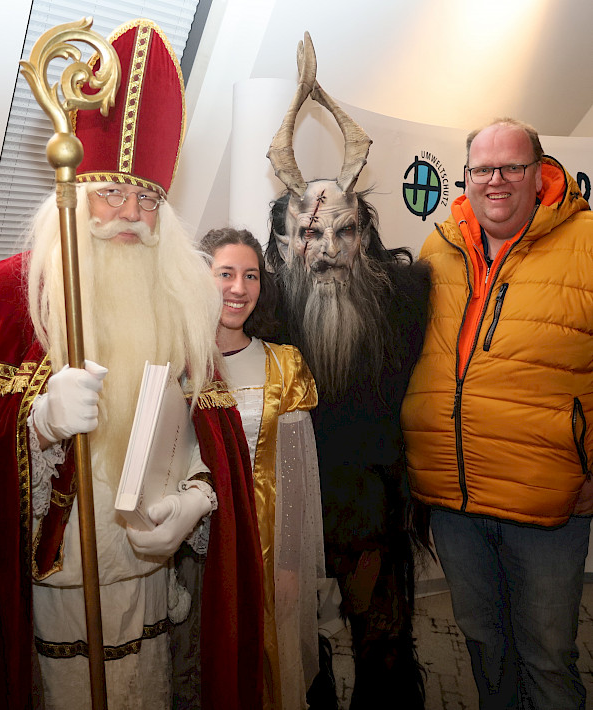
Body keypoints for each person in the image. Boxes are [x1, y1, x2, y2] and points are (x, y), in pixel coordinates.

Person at [0, 19, 263, 710]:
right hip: (59, 586)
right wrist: (36, 425)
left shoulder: (183, 296)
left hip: (151, 580)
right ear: (75, 194)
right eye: (111, 193)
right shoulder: (15, 293)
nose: (131, 214)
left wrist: (197, 495)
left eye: (149, 198)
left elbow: (203, 435)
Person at [403, 117, 593, 709]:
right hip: (455, 502)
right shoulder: (440, 244)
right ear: (466, 177)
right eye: (483, 169)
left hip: (546, 503)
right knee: (485, 647)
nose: (496, 181)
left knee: (546, 656)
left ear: (540, 174)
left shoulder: (586, 244)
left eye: (511, 167)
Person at [265, 33, 430, 709]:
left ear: (365, 236)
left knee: (383, 642)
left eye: (343, 232)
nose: (327, 250)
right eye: (310, 234)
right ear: (286, 241)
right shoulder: (267, 306)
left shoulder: (407, 296)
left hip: (372, 505)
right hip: (297, 505)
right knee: (300, 646)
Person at [199, 227, 324, 710]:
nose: (239, 288)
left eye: (250, 276)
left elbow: (295, 475)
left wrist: (291, 564)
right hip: (196, 548)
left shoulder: (283, 364)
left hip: (265, 547)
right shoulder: (176, 360)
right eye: (225, 273)